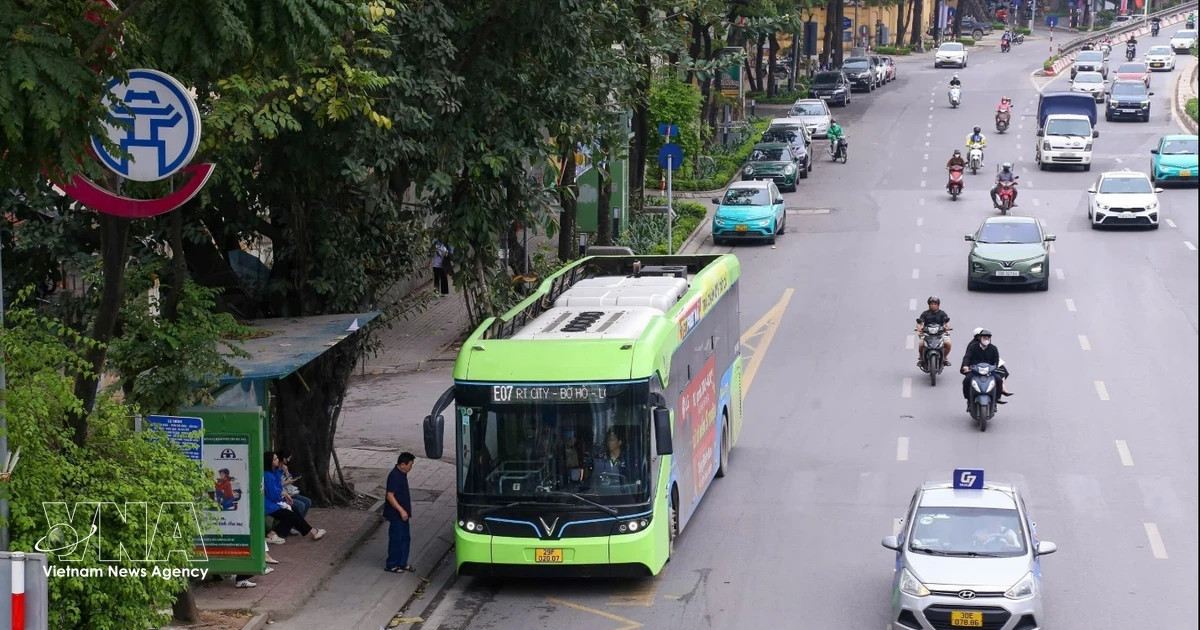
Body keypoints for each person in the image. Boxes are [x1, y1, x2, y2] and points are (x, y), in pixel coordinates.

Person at [263, 451, 326, 544]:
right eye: (275, 459)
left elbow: (277, 489)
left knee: (294, 509)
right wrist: (284, 495)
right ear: (269, 462)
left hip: (274, 502)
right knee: (291, 514)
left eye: (277, 458)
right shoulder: (268, 475)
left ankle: (312, 531)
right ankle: (273, 534)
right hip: (269, 505)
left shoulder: (272, 472)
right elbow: (273, 494)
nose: (277, 460)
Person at [960, 328, 1013, 409]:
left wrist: (994, 368)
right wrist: (965, 366)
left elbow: (996, 361)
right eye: (984, 337)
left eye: (988, 338)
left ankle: (996, 400)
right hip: (975, 371)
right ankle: (969, 400)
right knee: (966, 381)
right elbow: (967, 357)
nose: (986, 339)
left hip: (989, 371)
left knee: (998, 380)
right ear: (980, 338)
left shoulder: (993, 348)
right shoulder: (973, 347)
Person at [384, 453, 417, 574]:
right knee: (396, 539)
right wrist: (401, 510)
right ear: (403, 465)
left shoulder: (402, 474)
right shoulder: (394, 476)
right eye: (410, 465)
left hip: (404, 514)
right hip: (397, 514)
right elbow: (390, 495)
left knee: (405, 538)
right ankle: (392, 564)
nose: (411, 468)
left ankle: (402, 563)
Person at [915, 297, 952, 367]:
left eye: (935, 304)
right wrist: (919, 329)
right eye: (931, 304)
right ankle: (921, 359)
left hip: (940, 333)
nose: (933, 305)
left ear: (938, 305)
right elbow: (920, 323)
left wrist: (947, 328)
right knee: (921, 344)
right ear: (928, 305)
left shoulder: (942, 313)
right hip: (927, 334)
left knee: (948, 343)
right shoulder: (925, 313)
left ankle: (944, 358)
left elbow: (947, 322)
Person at [276, 449, 312, 519]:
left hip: (287, 491)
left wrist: (286, 472)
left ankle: (298, 523)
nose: (289, 460)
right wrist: (286, 483)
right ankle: (296, 524)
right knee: (301, 506)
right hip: (280, 494)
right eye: (288, 458)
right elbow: (275, 486)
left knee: (307, 502)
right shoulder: (274, 471)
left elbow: (289, 477)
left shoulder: (283, 468)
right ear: (283, 458)